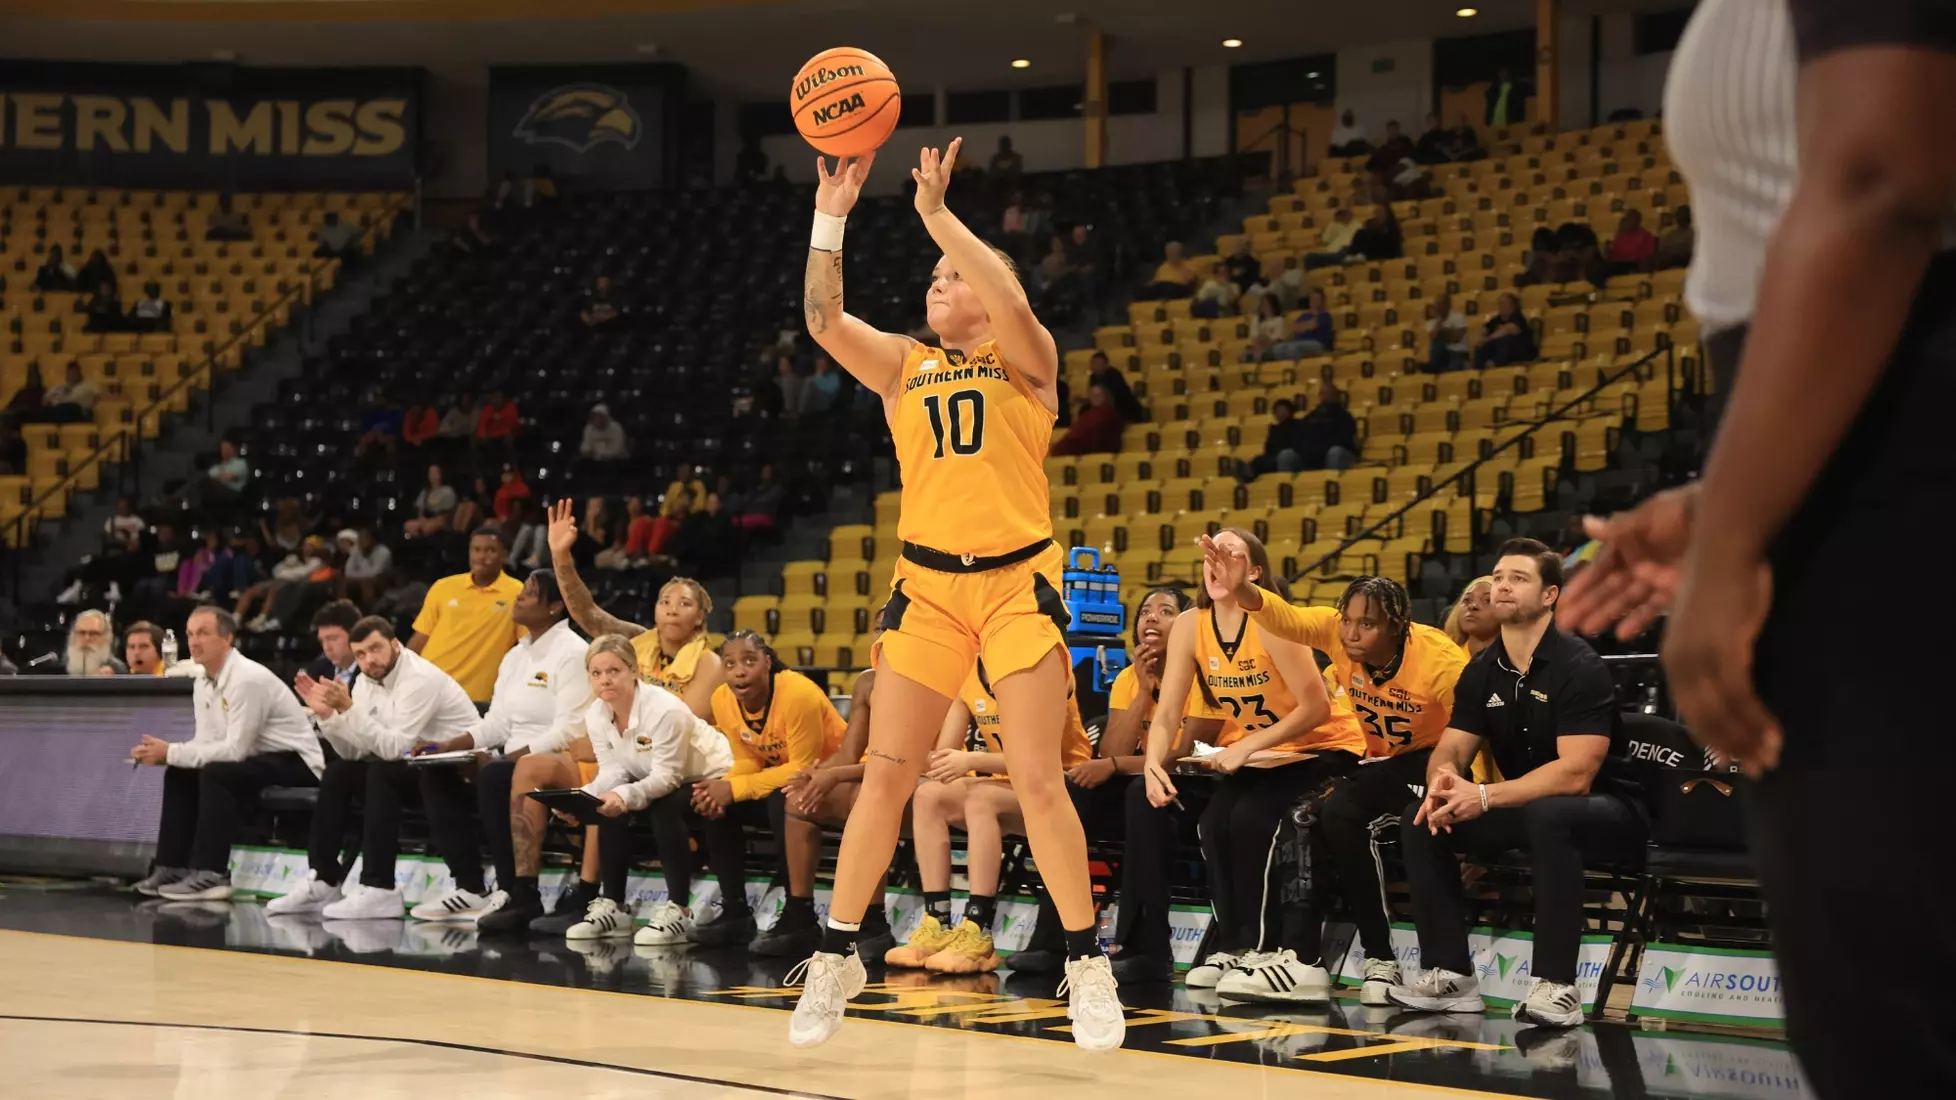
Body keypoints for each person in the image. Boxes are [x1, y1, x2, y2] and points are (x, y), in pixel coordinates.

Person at [1557, 3, 1956, 1091]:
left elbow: (1882, 178)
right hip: (1849, 467)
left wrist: (1736, 533)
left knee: (1892, 1015)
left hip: (1894, 497)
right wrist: (1726, 493)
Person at [788, 140, 1124, 1051]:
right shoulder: (904, 364)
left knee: (1038, 778)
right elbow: (822, 318)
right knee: (888, 776)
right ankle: (835, 955)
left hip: (1018, 581)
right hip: (929, 587)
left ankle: (1086, 966)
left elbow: (1010, 300)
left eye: (953, 276)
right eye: (933, 275)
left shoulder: (1029, 363)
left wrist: (940, 216)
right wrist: (834, 214)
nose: (938, 285)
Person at [1385, 539, 1641, 1028]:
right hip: (1529, 807)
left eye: (1518, 578)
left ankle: (1557, 986)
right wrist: (1443, 781)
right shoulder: (1482, 670)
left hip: (1609, 809)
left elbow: (1576, 774)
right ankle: (1451, 975)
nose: (1502, 585)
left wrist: (1482, 795)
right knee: (1421, 819)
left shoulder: (1578, 666)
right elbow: (1454, 746)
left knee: (1551, 814)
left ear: (1550, 595)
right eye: (1499, 575)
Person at [1205, 559, 1468, 1005]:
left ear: (1398, 626)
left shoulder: (1440, 660)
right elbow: (1282, 616)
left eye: (1367, 624)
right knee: (1305, 813)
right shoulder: (1335, 634)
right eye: (1347, 621)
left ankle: (1380, 958)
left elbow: (1477, 731)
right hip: (1379, 762)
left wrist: (1480, 793)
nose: (1350, 634)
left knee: (1344, 811)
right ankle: (1297, 956)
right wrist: (1242, 590)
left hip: (1437, 763)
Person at [1123, 529, 1366, 997]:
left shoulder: (1274, 620)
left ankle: (1264, 947)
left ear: (1253, 572)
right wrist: (1153, 763)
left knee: (1253, 817)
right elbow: (1169, 709)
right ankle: (1232, 944)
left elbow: (1314, 708)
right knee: (1215, 820)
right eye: (1209, 555)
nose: (1216, 562)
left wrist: (1248, 747)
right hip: (1259, 755)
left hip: (1322, 746)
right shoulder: (1192, 624)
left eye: (1230, 554)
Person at [414, 571, 593, 934]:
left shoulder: (573, 653)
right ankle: (470, 886)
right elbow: (496, 723)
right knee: (434, 770)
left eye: (529, 593)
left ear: (556, 606)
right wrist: (448, 746)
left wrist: (506, 760)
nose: (519, 598)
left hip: (555, 763)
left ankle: (515, 890)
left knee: (496, 775)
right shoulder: (515, 656)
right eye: (521, 592)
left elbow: (568, 731)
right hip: (509, 761)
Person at [271, 616, 484, 921]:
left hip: (460, 771)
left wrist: (349, 710)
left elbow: (394, 749)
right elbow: (354, 751)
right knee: (339, 773)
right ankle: (324, 880)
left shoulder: (419, 678)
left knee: (382, 773)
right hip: (416, 770)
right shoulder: (365, 681)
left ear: (395, 644)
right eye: (360, 654)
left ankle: (379, 888)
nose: (369, 660)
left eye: (376, 649)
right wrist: (329, 718)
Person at [895, 662, 1094, 974]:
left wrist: (972, 759)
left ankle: (978, 929)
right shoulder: (969, 675)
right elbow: (942, 755)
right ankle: (937, 920)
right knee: (928, 795)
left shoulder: (1044, 669)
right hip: (1011, 784)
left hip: (1067, 786)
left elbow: (1038, 760)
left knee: (981, 798)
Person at [543, 634, 735, 944]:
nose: (605, 679)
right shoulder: (597, 714)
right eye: (596, 673)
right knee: (607, 805)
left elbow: (668, 778)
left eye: (614, 671)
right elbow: (614, 770)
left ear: (634, 671)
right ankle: (614, 908)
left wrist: (624, 796)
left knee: (662, 803)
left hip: (713, 775)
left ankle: (679, 911)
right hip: (659, 777)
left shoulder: (664, 710)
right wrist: (583, 799)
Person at [128, 608, 323, 900]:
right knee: (181, 772)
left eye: (203, 633)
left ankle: (212, 873)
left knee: (217, 773)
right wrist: (170, 755)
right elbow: (206, 742)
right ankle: (172, 867)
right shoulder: (203, 682)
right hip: (257, 758)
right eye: (190, 634)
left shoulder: (246, 679)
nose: (194, 642)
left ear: (227, 638)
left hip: (296, 761)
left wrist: (171, 751)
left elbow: (234, 750)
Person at [688, 631, 846, 954]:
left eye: (749, 661)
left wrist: (733, 787)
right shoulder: (722, 699)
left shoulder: (797, 693)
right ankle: (734, 912)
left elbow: (801, 767)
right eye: (730, 664)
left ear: (768, 663)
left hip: (835, 781)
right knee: (716, 805)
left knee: (783, 800)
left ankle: (799, 915)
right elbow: (748, 758)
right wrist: (722, 788)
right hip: (788, 783)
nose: (739, 671)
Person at [546, 499, 725, 718]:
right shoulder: (638, 640)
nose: (672, 609)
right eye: (665, 602)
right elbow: (588, 614)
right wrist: (561, 555)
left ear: (700, 617)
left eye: (684, 603)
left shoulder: (710, 663)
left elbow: (684, 729)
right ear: (656, 611)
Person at [407, 528, 524, 704]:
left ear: (504, 555)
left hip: (476, 698)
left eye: (490, 550)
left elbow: (527, 645)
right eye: (476, 550)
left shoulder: (518, 593)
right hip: (428, 688)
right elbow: (421, 637)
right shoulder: (443, 587)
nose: (481, 556)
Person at [1047, 381, 1126, 457]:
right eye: (1093, 395)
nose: (1095, 398)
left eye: (1098, 395)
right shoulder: (1089, 413)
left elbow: (1082, 435)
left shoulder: (1107, 413)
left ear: (1105, 396)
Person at [305, 599, 362, 689]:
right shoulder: (317, 670)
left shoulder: (371, 671)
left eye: (332, 638)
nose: (326, 648)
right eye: (322, 641)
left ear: (355, 635)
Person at [1474, 292, 1537, 368]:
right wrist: (1482, 340)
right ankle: (1478, 372)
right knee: (1480, 348)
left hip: (1520, 351)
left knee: (1505, 340)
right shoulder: (1494, 320)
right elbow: (1484, 332)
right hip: (1498, 350)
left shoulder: (1518, 317)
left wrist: (1488, 339)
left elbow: (1508, 329)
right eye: (1499, 304)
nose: (1501, 306)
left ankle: (1495, 365)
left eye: (1504, 303)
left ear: (1512, 305)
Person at [1269, 290, 1334, 359]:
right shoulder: (1304, 316)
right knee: (1277, 348)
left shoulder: (1324, 315)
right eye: (1312, 298)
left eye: (1316, 299)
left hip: (1317, 344)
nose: (1313, 301)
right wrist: (1306, 326)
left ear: (1322, 301)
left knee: (1292, 348)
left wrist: (1302, 326)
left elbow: (1312, 326)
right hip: (1299, 342)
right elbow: (1294, 328)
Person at [1442, 576, 1498, 657]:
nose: (1473, 606)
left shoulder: (1517, 662)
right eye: (1467, 600)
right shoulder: (1444, 658)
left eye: (1487, 600)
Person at [340, 527, 392, 608]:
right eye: (360, 538)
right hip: (360, 580)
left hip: (382, 581)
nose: (361, 541)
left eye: (365, 538)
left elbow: (374, 573)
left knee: (366, 583)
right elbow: (348, 572)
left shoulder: (383, 552)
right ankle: (343, 608)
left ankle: (369, 610)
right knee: (344, 582)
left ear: (373, 539)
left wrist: (363, 558)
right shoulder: (356, 550)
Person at [403, 464, 458, 538]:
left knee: (429, 527)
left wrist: (433, 521)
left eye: (436, 473)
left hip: (442, 521)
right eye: (431, 474)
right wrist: (422, 519)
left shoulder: (448, 491)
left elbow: (447, 514)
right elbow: (420, 511)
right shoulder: (425, 492)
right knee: (408, 525)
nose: (434, 476)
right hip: (426, 520)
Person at [66, 610, 126, 676]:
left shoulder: (116, 670)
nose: (87, 638)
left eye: (93, 633)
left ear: (106, 638)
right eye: (82, 633)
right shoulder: (61, 668)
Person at [1426, 292, 1469, 374]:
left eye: (1441, 304)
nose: (1439, 307)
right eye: (1437, 304)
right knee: (1438, 342)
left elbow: (1457, 338)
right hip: (1442, 353)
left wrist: (1442, 333)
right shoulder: (1432, 322)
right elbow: (1433, 336)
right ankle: (1434, 367)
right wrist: (1440, 321)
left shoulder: (1458, 317)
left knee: (1451, 370)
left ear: (1448, 305)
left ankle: (1435, 367)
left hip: (1457, 351)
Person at [1654, 205, 1695, 271]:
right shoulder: (1667, 233)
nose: (1681, 217)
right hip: (1669, 264)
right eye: (1679, 215)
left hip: (1688, 263)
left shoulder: (1695, 234)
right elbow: (1661, 251)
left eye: (1683, 215)